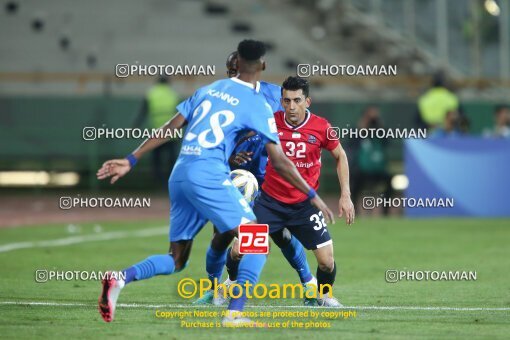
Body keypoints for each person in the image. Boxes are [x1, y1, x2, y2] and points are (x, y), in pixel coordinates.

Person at [96, 40, 334, 326]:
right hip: (210, 174)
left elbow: (171, 127)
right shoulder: (256, 102)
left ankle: (120, 278)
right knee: (257, 241)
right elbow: (281, 161)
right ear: (263, 65)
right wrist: (312, 194)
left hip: (181, 172)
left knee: (177, 259)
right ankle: (234, 313)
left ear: (235, 67)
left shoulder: (207, 90)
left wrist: (131, 159)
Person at [213, 76, 355, 309]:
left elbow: (340, 155)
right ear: (281, 101)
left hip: (304, 206)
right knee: (239, 250)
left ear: (307, 101)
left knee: (327, 262)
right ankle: (228, 284)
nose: (291, 107)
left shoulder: (322, 127)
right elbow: (235, 134)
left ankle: (324, 296)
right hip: (269, 203)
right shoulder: (269, 121)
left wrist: (345, 195)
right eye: (286, 101)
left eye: (297, 100)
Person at [194, 53, 317, 306]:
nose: (236, 77)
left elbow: (300, 124)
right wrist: (229, 160)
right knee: (222, 233)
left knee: (280, 234)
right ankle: (215, 288)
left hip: (271, 178)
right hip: (237, 177)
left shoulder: (277, 95)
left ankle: (309, 284)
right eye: (231, 72)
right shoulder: (220, 100)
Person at [133, 76, 180, 185]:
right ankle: (171, 182)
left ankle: (158, 182)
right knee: (172, 160)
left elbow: (143, 112)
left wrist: (136, 125)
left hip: (157, 132)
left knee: (156, 159)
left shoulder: (151, 93)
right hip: (171, 133)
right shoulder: (173, 94)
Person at [350, 105, 394, 216]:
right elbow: (351, 146)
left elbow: (387, 144)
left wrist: (382, 128)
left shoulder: (381, 131)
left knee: (389, 181)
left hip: (378, 169)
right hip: (362, 170)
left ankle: (385, 213)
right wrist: (360, 130)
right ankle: (354, 211)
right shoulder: (357, 130)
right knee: (354, 182)